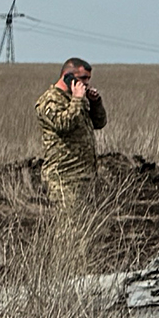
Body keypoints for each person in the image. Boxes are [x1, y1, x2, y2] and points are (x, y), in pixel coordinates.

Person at [35, 58, 109, 219]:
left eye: (88, 79)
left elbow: (99, 123)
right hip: (64, 178)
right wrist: (77, 99)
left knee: (86, 225)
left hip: (85, 177)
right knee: (68, 225)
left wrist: (95, 102)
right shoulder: (50, 100)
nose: (86, 83)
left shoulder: (77, 98)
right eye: (83, 78)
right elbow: (63, 124)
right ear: (68, 76)